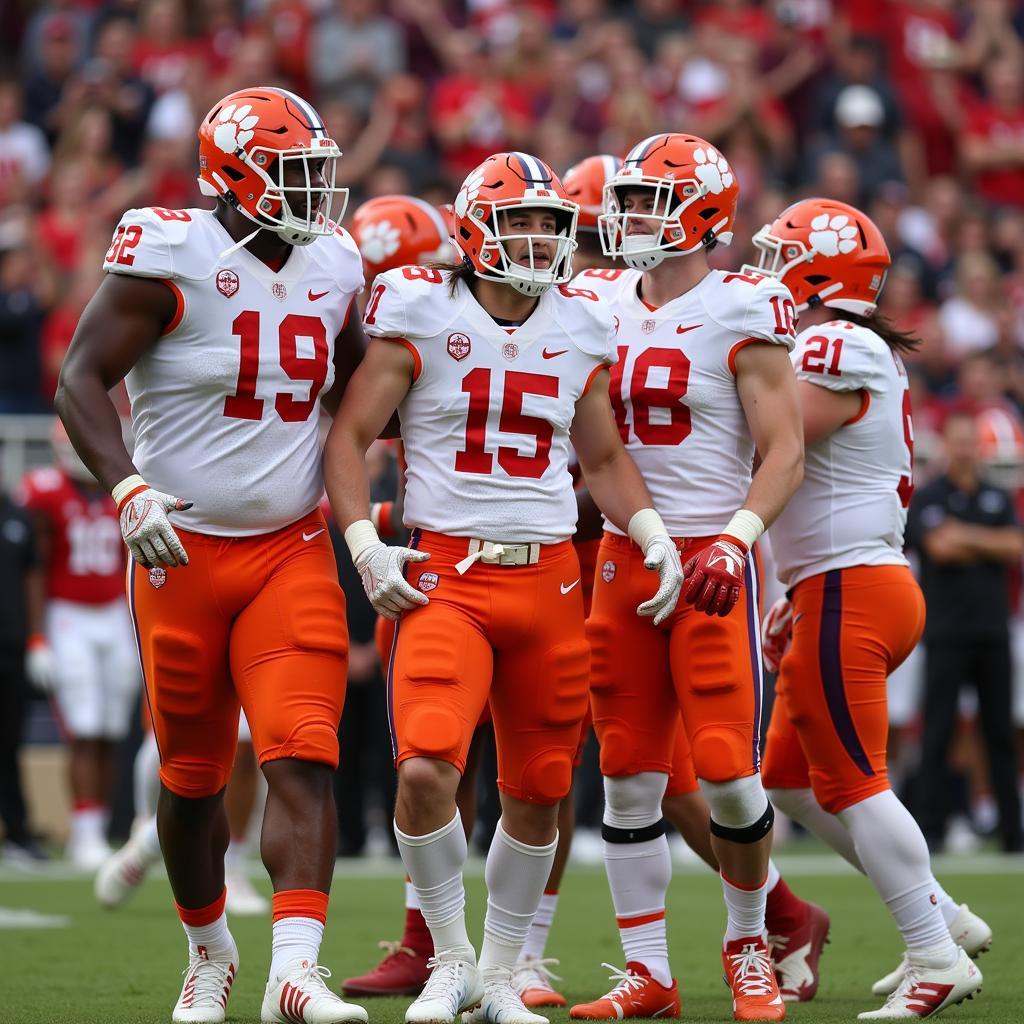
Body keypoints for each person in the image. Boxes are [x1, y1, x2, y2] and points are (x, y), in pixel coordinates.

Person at [324, 150, 684, 1024]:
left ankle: (498, 968)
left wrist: (651, 533)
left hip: (552, 580)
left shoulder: (582, 324)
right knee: (423, 770)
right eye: (518, 219)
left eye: (547, 222)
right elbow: (350, 438)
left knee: (540, 790)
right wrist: (369, 545)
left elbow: (600, 456)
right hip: (447, 571)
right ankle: (450, 960)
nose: (535, 236)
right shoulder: (417, 307)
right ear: (477, 228)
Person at [55, 86, 369, 1024]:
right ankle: (211, 950)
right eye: (294, 172)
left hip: (291, 546)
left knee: (303, 753)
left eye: (320, 171)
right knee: (192, 779)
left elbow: (358, 382)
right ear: (235, 177)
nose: (316, 192)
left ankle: (297, 973)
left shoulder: (338, 261)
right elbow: (81, 378)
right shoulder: (168, 251)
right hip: (179, 550)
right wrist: (127, 485)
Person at [569, 133, 803, 1023]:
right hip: (626, 558)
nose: (629, 216)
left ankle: (749, 945)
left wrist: (737, 542)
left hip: (712, 558)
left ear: (704, 213)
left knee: (728, 774)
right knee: (627, 774)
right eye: (626, 200)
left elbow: (785, 450)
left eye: (647, 202)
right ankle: (649, 971)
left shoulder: (743, 305)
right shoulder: (593, 298)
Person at [754, 198, 988, 1019]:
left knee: (855, 783)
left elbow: (773, 435)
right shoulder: (848, 342)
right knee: (786, 779)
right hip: (838, 584)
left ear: (816, 270)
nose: (764, 270)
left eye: (778, 256)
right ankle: (942, 917)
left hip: (852, 588)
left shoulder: (834, 342)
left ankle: (931, 951)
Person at [17, 420, 138, 870]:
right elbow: (35, 566)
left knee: (110, 728)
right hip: (68, 613)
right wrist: (37, 635)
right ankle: (84, 831)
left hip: (114, 615)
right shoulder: (45, 491)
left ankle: (99, 827)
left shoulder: (122, 490)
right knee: (84, 726)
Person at [907, 411, 1024, 855]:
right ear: (946, 446)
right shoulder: (929, 496)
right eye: (957, 441)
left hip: (993, 630)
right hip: (946, 630)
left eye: (970, 441)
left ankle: (1012, 832)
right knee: (937, 730)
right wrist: (984, 542)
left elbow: (1013, 546)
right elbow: (936, 545)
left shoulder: (997, 495)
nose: (965, 449)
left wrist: (963, 537)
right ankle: (930, 829)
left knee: (999, 733)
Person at [0, 478, 49, 865]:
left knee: (9, 745)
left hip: (11, 648)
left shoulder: (18, 517)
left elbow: (34, 577)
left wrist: (36, 637)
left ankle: (17, 832)